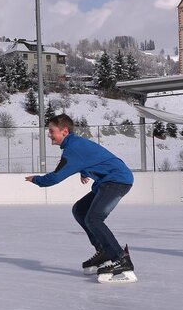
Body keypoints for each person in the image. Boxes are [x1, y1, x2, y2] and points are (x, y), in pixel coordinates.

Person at [25, 114, 137, 284]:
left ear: (64, 131)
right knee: (80, 210)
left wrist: (37, 179)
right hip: (108, 181)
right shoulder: (76, 144)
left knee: (94, 218)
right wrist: (84, 172)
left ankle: (120, 259)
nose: (49, 134)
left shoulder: (73, 149)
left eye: (51, 131)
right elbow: (92, 157)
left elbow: (55, 177)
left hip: (117, 181)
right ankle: (104, 251)